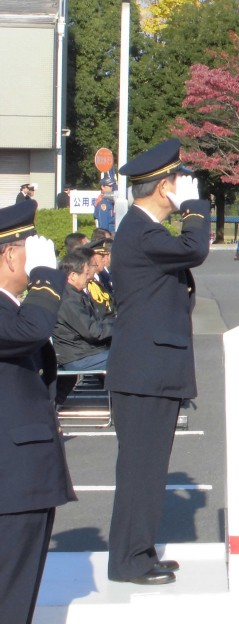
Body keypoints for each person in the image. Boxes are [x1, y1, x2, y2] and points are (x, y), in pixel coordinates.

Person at [106, 138, 210, 584]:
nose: (184, 189)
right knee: (140, 469)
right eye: (179, 182)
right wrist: (196, 208)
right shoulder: (142, 231)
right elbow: (195, 249)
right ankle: (129, 559)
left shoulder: (141, 231)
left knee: (148, 468)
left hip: (149, 367)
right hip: (145, 369)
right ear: (165, 187)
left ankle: (139, 550)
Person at [0, 201, 75, 622]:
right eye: (30, 249)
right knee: (10, 595)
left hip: (20, 477)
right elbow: (31, 331)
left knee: (19, 591)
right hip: (10, 481)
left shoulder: (12, 307)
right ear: (10, 254)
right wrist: (47, 279)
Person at [53, 246, 115, 403]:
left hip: (82, 351)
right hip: (78, 356)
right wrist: (121, 326)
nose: (89, 277)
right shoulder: (69, 299)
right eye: (86, 274)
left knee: (123, 350)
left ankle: (120, 400)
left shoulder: (75, 294)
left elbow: (97, 321)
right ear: (73, 275)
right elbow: (94, 331)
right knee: (127, 355)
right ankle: (128, 402)